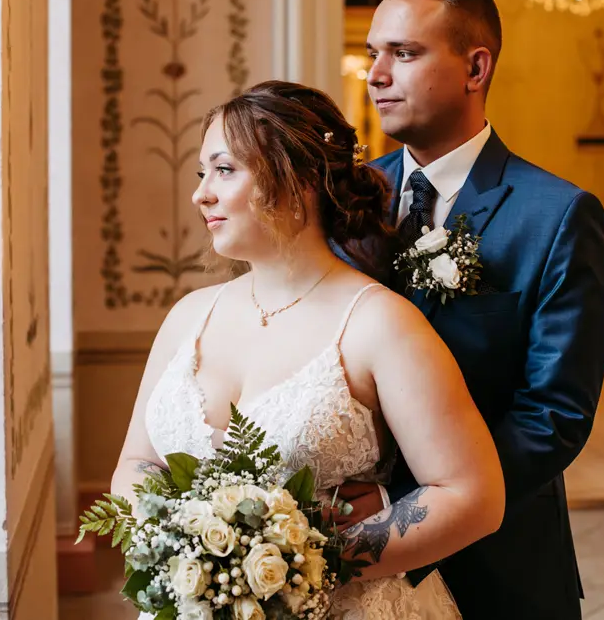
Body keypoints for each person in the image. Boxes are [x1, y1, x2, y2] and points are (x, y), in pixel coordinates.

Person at [111, 80, 505, 619]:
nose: (201, 193)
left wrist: (304, 563)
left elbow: (472, 497)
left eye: (224, 170)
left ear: (298, 180)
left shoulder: (378, 323)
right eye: (202, 173)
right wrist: (187, 551)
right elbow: (139, 462)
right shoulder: (187, 316)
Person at [335, 0, 604, 619]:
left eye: (403, 53)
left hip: (500, 554)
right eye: (374, 53)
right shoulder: (346, 202)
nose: (375, 74)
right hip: (349, 549)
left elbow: (555, 414)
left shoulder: (557, 215)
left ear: (474, 67)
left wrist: (407, 505)